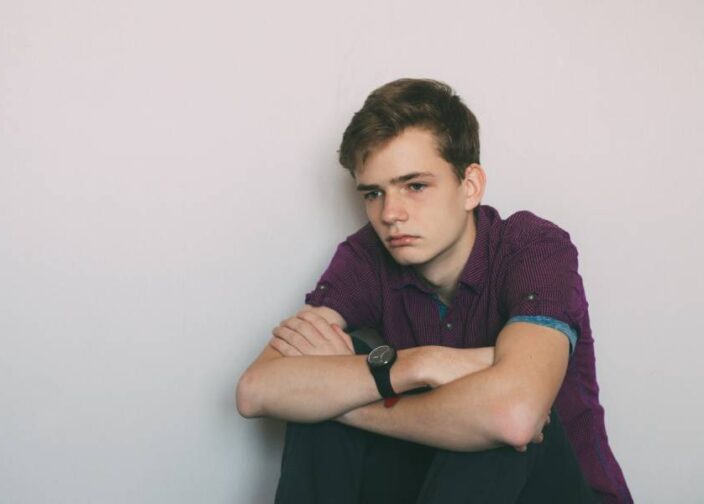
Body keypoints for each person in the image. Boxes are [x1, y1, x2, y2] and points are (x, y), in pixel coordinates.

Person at [236, 78, 632, 503]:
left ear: (470, 186)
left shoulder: (532, 247)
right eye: (374, 193)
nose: (390, 214)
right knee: (333, 375)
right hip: (439, 489)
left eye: (415, 186)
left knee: (490, 412)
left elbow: (515, 417)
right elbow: (256, 390)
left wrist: (344, 401)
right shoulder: (367, 256)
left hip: (556, 491)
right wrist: (420, 366)